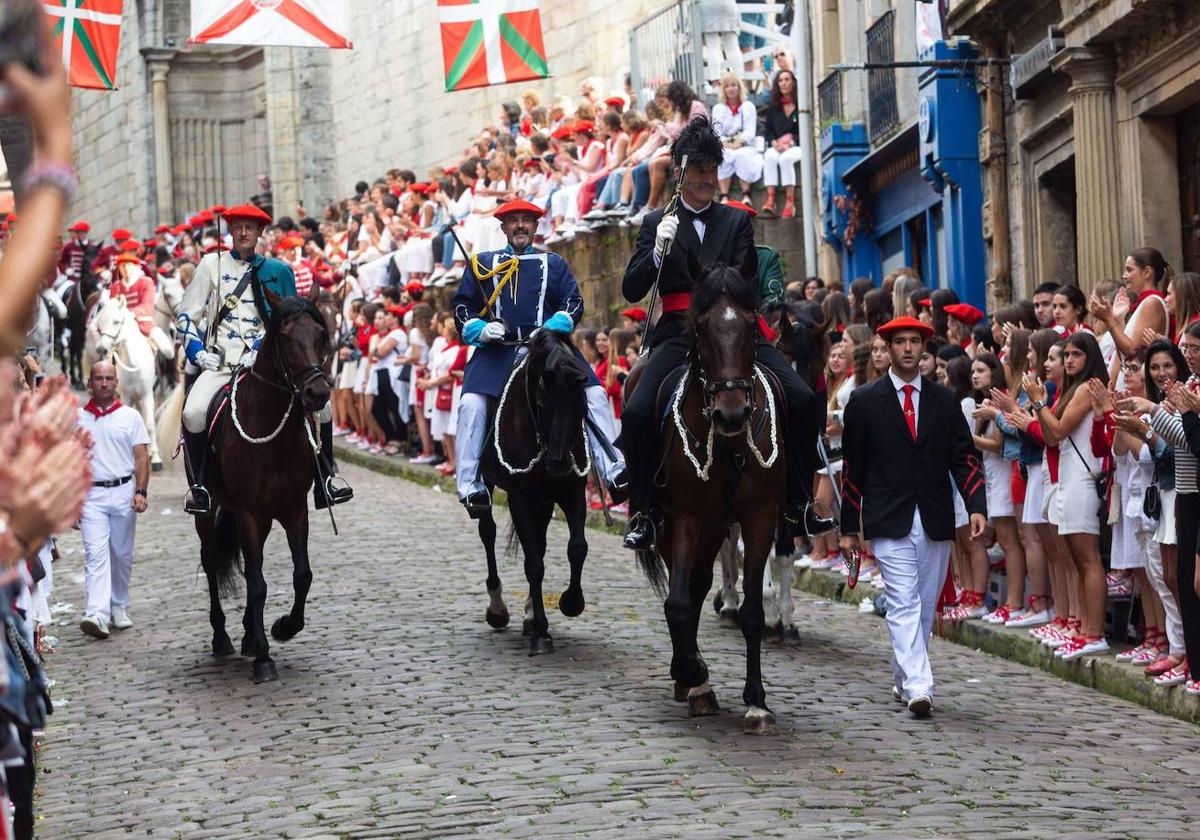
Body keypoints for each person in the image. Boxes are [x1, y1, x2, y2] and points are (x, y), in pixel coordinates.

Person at [619, 116, 829, 550]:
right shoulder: (656, 221)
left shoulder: (734, 222)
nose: (708, 180)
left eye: (713, 171)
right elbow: (632, 288)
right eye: (699, 172)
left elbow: (741, 278)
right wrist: (657, 251)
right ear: (680, 173)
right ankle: (644, 511)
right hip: (678, 331)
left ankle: (798, 502)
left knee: (804, 399)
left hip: (731, 333)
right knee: (637, 410)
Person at [839, 316, 987, 717]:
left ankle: (905, 677)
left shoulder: (943, 400)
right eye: (900, 342)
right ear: (886, 348)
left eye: (914, 341)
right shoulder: (866, 401)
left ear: (924, 348)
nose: (907, 348)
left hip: (936, 515)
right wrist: (849, 528)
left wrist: (976, 506)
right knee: (903, 600)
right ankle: (921, 686)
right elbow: (854, 466)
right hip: (888, 516)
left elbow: (964, 457)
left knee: (922, 603)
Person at [452, 199, 627, 517]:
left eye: (527, 220)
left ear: (535, 226)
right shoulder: (481, 264)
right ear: (503, 227)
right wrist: (481, 329)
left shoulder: (555, 264)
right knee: (471, 405)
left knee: (596, 394)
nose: (520, 225)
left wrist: (549, 330)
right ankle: (471, 484)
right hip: (496, 352)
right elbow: (462, 308)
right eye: (513, 220)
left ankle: (615, 470)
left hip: (548, 351)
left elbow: (573, 303)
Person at [176, 204, 353, 514]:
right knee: (192, 413)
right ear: (230, 231)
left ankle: (326, 478)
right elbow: (186, 318)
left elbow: (290, 320)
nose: (244, 232)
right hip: (221, 363)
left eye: (251, 227)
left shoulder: (278, 271)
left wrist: (262, 348)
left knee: (322, 408)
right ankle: (201, 487)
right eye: (239, 226)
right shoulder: (209, 266)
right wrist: (198, 353)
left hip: (268, 364)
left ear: (260, 233)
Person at [76, 362, 150, 639]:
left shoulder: (130, 416)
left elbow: (141, 457)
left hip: (122, 491)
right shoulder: (77, 419)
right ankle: (96, 612)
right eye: (99, 379)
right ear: (90, 382)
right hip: (91, 494)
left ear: (116, 382)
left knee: (121, 554)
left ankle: (119, 605)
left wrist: (140, 491)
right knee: (95, 555)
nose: (104, 383)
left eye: (109, 378)